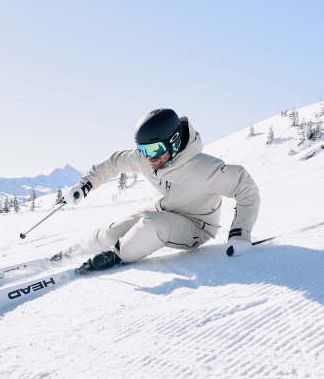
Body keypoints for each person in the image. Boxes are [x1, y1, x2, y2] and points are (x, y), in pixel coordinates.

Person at [66, 108, 260, 271]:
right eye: (143, 150)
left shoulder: (203, 168)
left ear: (174, 140)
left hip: (196, 225)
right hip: (163, 209)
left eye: (154, 149)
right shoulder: (149, 158)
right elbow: (113, 163)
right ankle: (75, 249)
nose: (149, 157)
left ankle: (116, 255)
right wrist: (85, 185)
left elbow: (246, 188)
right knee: (112, 233)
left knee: (152, 225)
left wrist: (240, 233)